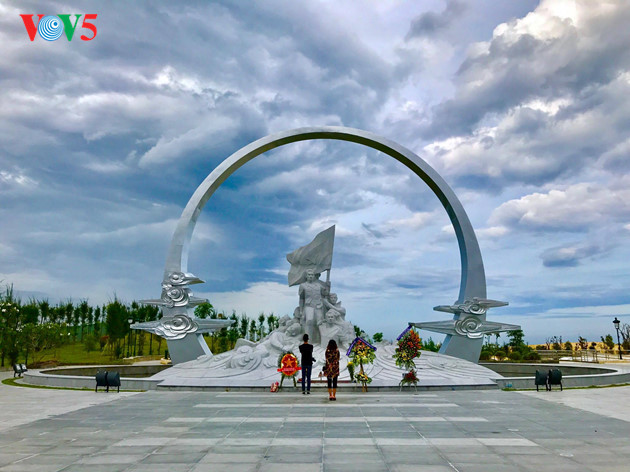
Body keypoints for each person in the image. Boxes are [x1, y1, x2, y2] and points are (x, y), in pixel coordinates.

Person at [299, 269, 326, 344]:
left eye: (312, 275)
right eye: (309, 275)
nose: (310, 276)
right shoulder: (303, 286)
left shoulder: (319, 285)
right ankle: (308, 341)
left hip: (318, 306)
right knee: (309, 320)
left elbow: (325, 294)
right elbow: (301, 299)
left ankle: (322, 340)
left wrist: (327, 286)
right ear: (306, 276)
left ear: (314, 276)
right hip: (309, 306)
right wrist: (301, 310)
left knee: (320, 322)